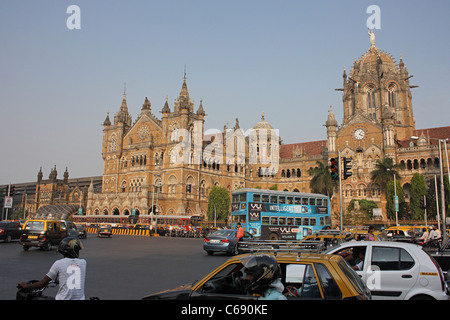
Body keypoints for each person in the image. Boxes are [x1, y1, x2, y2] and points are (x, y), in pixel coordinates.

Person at [18, 236, 87, 300]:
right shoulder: (83, 263)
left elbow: (42, 283)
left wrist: (26, 286)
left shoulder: (59, 263)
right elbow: (72, 274)